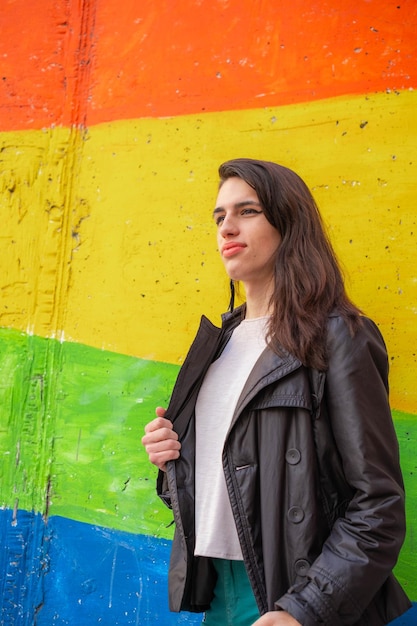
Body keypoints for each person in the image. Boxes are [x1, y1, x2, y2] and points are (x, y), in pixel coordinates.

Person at [142, 158, 411, 625]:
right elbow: (231, 490)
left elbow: (379, 506)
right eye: (219, 216)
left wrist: (304, 609)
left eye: (247, 211)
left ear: (289, 223)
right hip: (218, 591)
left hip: (291, 595)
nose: (227, 227)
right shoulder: (217, 344)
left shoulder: (338, 337)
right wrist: (172, 463)